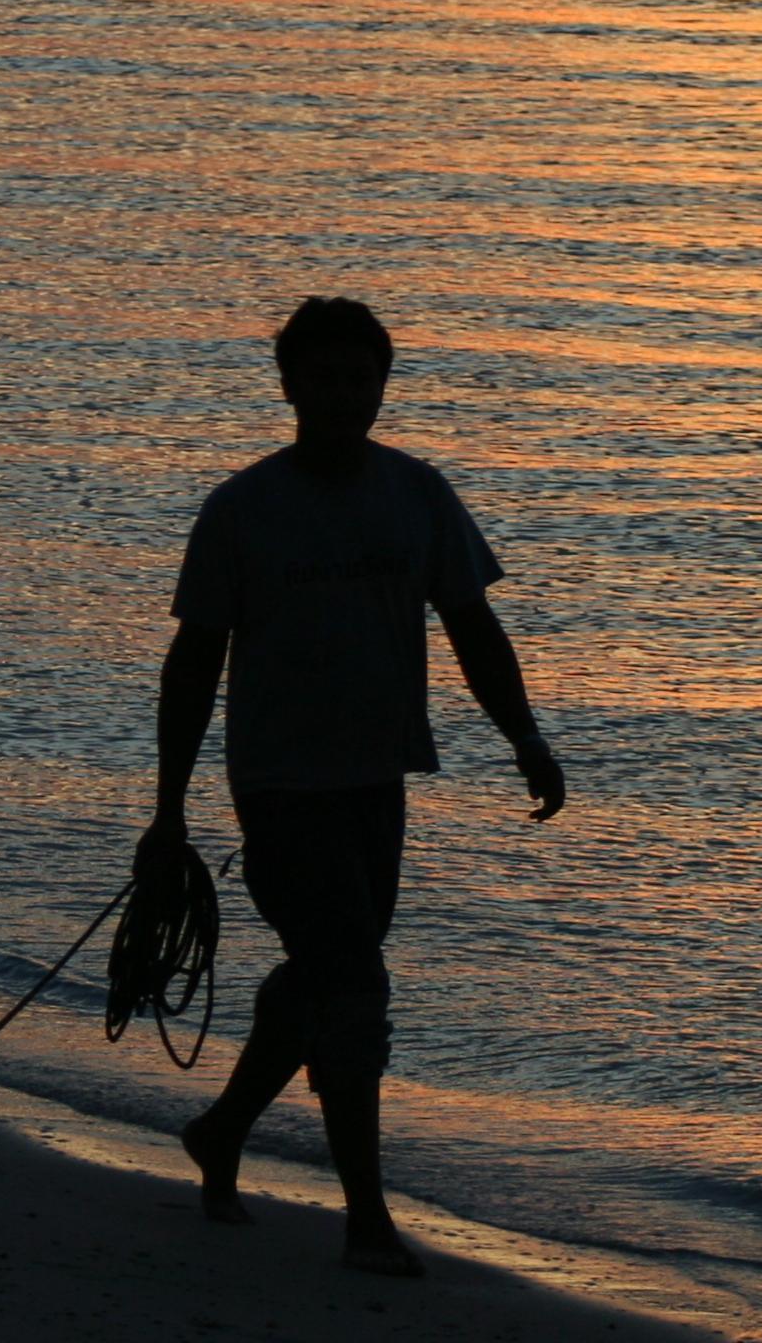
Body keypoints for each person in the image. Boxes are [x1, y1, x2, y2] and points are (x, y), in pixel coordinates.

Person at [148, 295, 566, 1277]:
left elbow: (472, 629)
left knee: (327, 974)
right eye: (322, 378)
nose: (342, 395)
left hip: (379, 781)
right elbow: (192, 663)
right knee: (354, 982)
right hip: (281, 787)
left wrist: (525, 738)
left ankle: (221, 1132)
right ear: (289, 386)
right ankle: (367, 1221)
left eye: (358, 378)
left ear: (382, 387)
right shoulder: (242, 509)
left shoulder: (418, 495)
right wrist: (168, 812)